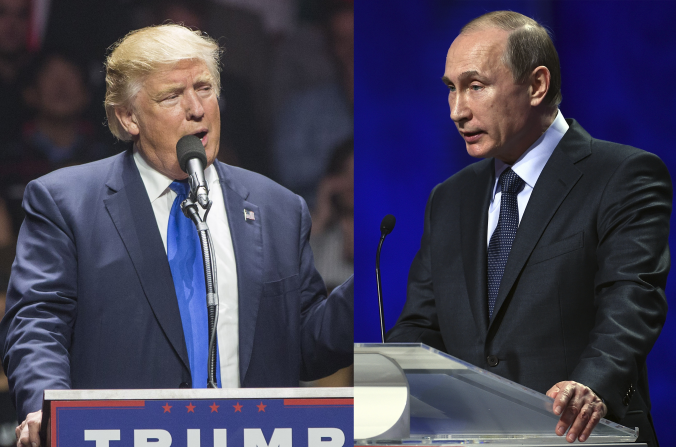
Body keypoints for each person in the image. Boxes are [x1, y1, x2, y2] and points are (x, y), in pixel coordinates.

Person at [0, 24, 353, 446]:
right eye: (172, 95)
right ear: (128, 117)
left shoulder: (277, 208)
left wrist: (369, 283)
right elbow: (38, 323)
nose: (196, 108)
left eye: (204, 87)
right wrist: (45, 405)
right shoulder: (67, 203)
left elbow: (306, 343)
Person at [386, 11, 669, 447]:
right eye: (451, 89)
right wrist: (391, 406)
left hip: (579, 435)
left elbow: (631, 299)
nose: (457, 111)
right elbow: (420, 326)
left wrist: (590, 384)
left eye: (475, 86)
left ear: (537, 85)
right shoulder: (449, 198)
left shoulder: (622, 174)